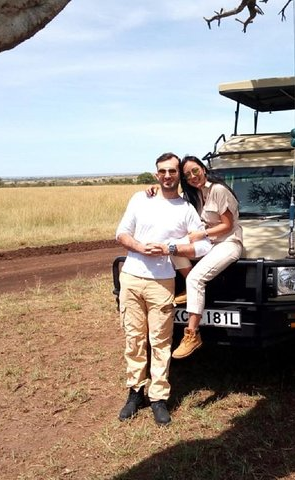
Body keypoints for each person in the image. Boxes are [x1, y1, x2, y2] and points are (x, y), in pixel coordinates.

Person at [115, 152, 211, 425]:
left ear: (179, 174)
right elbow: (121, 233)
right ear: (156, 174)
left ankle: (158, 397)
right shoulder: (140, 199)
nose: (167, 176)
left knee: (160, 341)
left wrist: (172, 248)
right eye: (162, 171)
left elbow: (203, 244)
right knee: (134, 338)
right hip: (131, 278)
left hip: (162, 282)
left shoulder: (185, 209)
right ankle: (135, 393)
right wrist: (139, 247)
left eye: (172, 171)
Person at [170, 155, 243, 360]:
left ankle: (192, 334)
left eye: (195, 171)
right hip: (209, 245)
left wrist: (201, 234)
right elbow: (171, 196)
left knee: (196, 279)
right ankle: (191, 290)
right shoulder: (194, 194)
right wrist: (154, 190)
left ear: (203, 169)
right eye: (187, 175)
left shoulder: (218, 190)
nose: (193, 176)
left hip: (228, 243)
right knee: (173, 249)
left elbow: (227, 225)